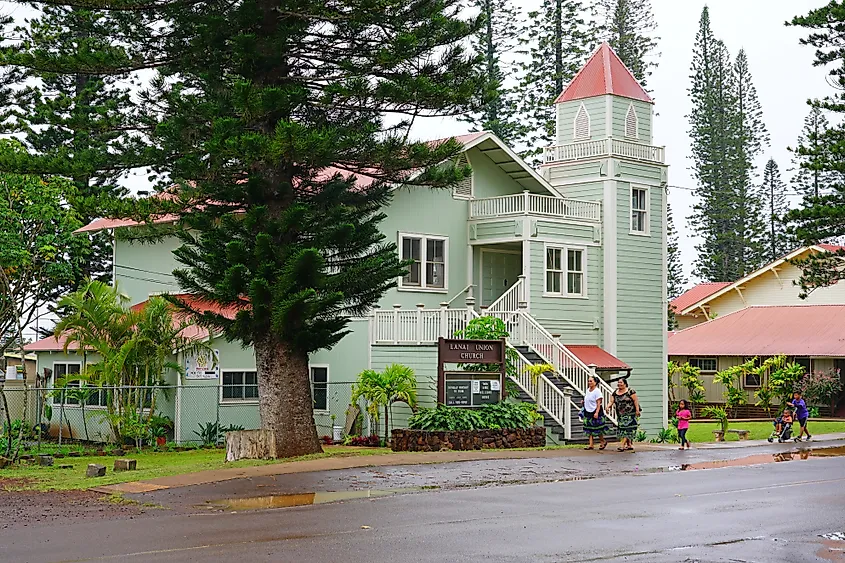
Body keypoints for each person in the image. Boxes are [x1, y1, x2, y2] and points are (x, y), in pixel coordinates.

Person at [606, 378, 640, 452]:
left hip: (630, 414)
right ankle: (629, 444)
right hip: (621, 414)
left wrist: (637, 410)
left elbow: (635, 401)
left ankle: (622, 445)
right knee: (622, 429)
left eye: (621, 382)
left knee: (627, 429)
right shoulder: (615, 393)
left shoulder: (630, 391)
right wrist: (608, 407)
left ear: (625, 384)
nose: (619, 384)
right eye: (618, 382)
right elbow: (611, 401)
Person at [582, 375, 608, 450]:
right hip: (588, 411)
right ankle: (591, 444)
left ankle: (602, 441)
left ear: (595, 382)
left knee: (598, 428)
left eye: (591, 381)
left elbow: (598, 403)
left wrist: (596, 412)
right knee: (588, 428)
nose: (589, 382)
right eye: (588, 381)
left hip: (595, 411)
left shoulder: (597, 391)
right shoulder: (587, 390)